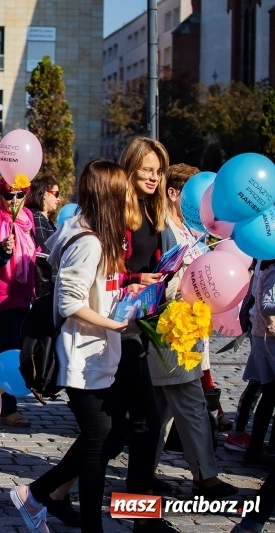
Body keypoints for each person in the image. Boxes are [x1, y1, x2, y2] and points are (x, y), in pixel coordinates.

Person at [10, 160, 133, 533]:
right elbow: (69, 302)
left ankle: (36, 494)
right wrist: (114, 322)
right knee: (98, 443)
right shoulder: (90, 241)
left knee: (106, 438)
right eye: (122, 189)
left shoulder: (89, 232)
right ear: (109, 195)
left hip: (97, 352)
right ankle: (77, 519)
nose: (129, 196)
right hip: (83, 356)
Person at [150, 162, 238, 498]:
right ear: (174, 194)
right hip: (171, 333)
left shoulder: (189, 229)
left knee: (159, 410)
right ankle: (205, 476)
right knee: (192, 406)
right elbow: (161, 282)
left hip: (189, 331)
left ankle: (142, 470)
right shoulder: (163, 229)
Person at [113, 136, 179, 533]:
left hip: (137, 326)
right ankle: (141, 519)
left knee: (118, 429)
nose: (154, 177)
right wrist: (136, 278)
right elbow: (102, 272)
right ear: (130, 168)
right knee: (144, 423)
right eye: (147, 169)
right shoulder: (116, 213)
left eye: (159, 171)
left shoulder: (153, 213)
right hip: (112, 329)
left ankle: (50, 492)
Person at [0, 177, 36, 428]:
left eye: (19, 195)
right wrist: (3, 253)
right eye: (9, 196)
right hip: (2, 296)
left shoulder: (28, 219)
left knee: (22, 350)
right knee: (9, 351)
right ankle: (6, 408)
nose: (14, 201)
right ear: (1, 197)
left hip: (25, 294)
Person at [242, 259, 275, 467]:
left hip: (265, 338)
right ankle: (258, 450)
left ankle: (257, 449)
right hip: (269, 339)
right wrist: (273, 325)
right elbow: (268, 304)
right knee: (270, 393)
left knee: (270, 394)